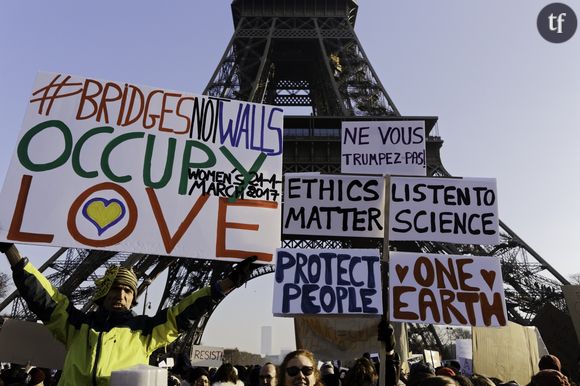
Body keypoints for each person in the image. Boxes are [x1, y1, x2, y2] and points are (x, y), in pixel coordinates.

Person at [0, 242, 256, 386]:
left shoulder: (145, 331)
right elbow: (44, 299)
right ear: (103, 293)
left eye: (127, 291)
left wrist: (227, 283)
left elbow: (183, 313)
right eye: (115, 289)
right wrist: (12, 252)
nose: (121, 295)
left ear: (133, 297)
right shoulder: (76, 325)